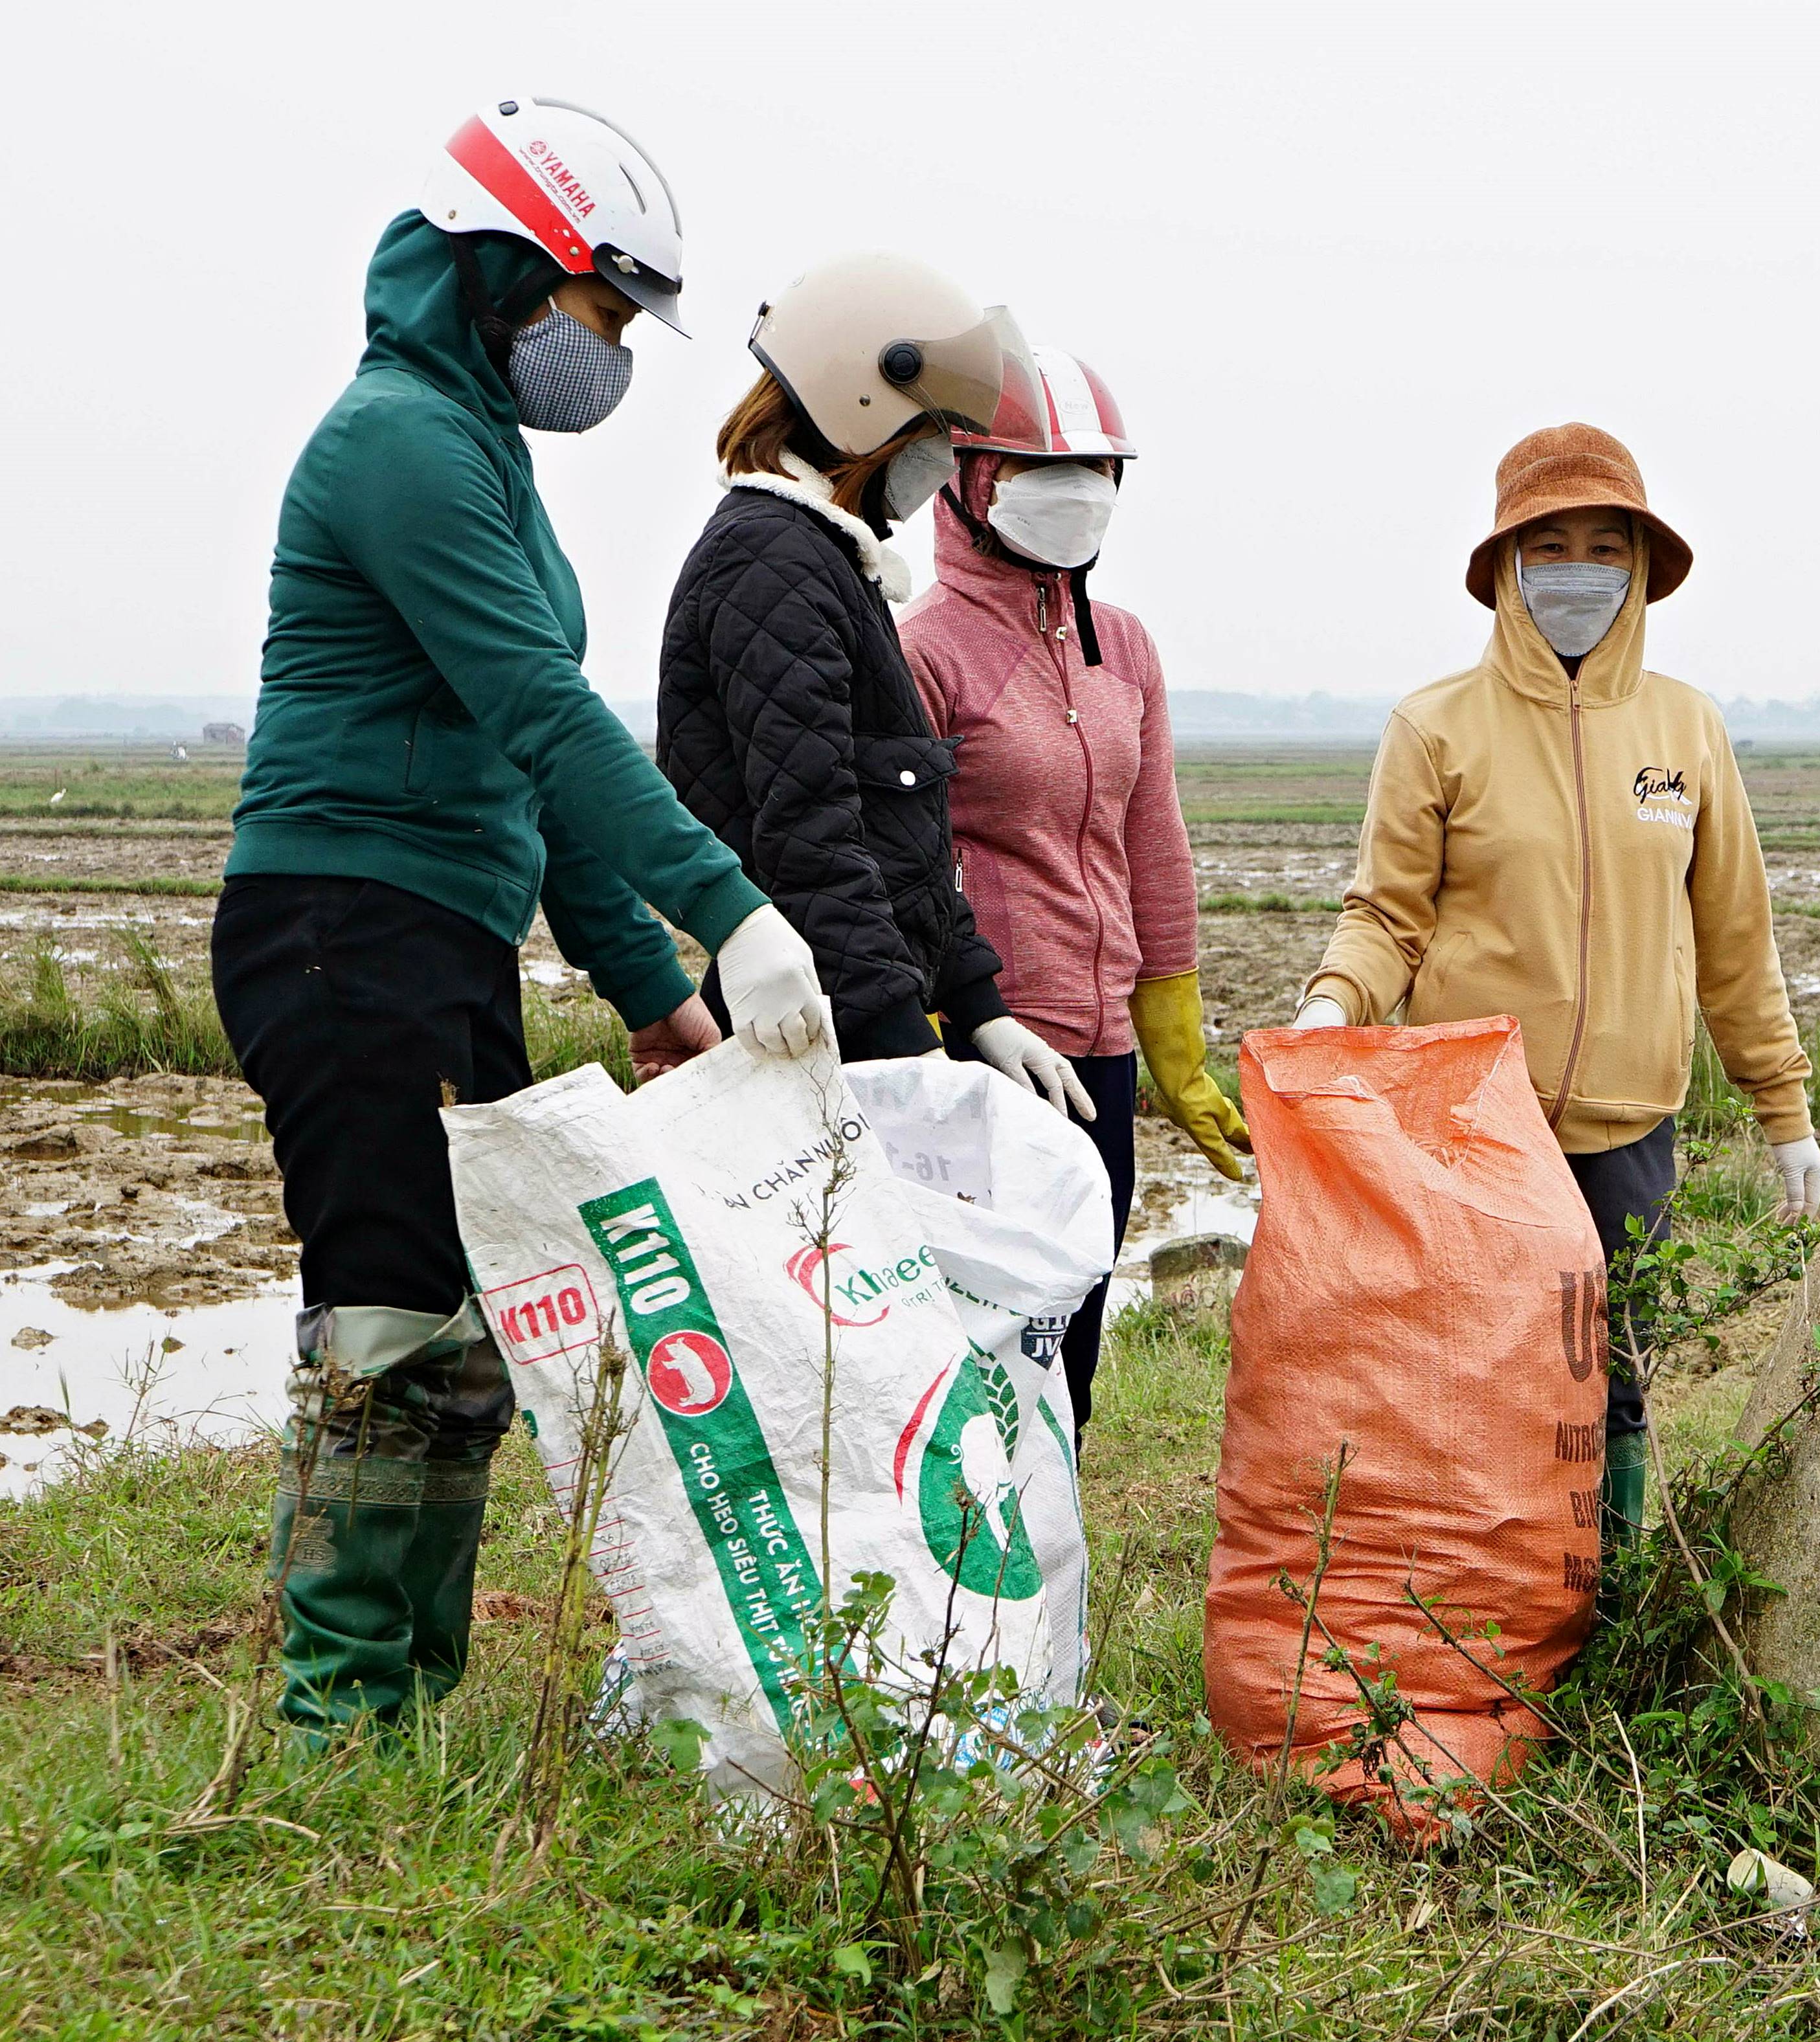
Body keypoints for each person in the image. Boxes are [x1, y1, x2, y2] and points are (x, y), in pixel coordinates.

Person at [217, 97, 831, 1742]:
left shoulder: (479, 452)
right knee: (393, 1311)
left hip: (435, 929)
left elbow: (537, 781)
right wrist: (735, 907)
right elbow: (546, 711)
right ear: (500, 272)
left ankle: (405, 1689)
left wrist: (654, 986)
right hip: (343, 923)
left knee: (470, 1329)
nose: (611, 351)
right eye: (600, 309)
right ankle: (343, 1718)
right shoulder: (398, 443)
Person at [1294, 423, 1820, 1590]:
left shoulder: (1686, 731)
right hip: (1477, 1125)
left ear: (1638, 568)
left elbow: (1736, 934)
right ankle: (1476, 1602)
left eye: (1603, 545)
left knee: (1612, 1372)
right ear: (1505, 571)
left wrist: (1782, 1106)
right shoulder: (1437, 727)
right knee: (1474, 1369)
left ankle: (1606, 1603)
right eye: (1550, 546)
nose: (1577, 570)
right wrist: (1336, 1004)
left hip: (1630, 1126)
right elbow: (1387, 914)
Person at [901, 347, 1248, 1442]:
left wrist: (1176, 1041)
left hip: (1101, 1053)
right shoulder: (925, 651)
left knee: (1077, 1335)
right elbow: (901, 862)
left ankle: (1047, 1574)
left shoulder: (1125, 648)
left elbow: (1157, 845)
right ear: (967, 477)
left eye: (1098, 469)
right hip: (989, 1041)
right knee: (983, 1337)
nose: (1077, 491)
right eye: (1041, 466)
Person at [656, 254, 1089, 1114]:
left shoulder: (822, 559)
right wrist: (905, 1045)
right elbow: (812, 836)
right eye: (931, 430)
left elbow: (897, 824)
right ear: (863, 404)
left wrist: (978, 1004)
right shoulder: (768, 562)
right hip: (817, 1033)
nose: (938, 459)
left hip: (840, 1010)